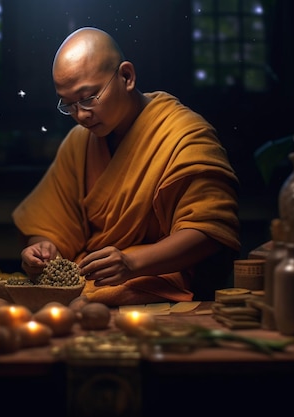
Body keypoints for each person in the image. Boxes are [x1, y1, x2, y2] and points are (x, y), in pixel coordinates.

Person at [12, 27, 241, 306]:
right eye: (68, 105)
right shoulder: (78, 143)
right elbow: (52, 222)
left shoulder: (184, 135)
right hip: (91, 281)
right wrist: (44, 249)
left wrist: (132, 263)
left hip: (155, 280)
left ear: (126, 77)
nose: (81, 115)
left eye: (88, 98)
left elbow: (209, 230)